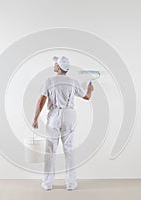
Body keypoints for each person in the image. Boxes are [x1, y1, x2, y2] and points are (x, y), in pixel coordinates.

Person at [32, 56, 94, 191]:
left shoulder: (49, 81)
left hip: (54, 115)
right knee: (69, 150)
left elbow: (41, 102)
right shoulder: (73, 82)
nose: (54, 65)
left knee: (50, 150)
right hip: (69, 115)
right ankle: (71, 183)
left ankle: (47, 183)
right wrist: (90, 89)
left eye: (55, 63)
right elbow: (87, 97)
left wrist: (35, 118)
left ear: (59, 67)